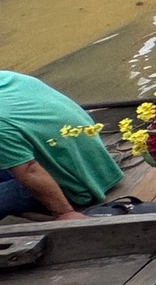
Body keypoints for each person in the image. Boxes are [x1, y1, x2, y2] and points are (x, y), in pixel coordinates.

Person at [0, 72, 126, 220]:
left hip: (75, 187)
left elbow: (29, 170)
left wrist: (64, 213)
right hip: (100, 166)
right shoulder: (7, 78)